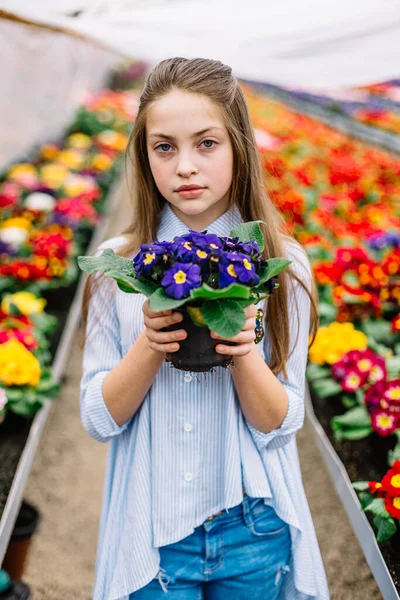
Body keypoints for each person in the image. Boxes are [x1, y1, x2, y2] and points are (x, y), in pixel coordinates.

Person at [80, 57, 330, 600]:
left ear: (239, 145)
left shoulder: (277, 263)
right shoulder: (118, 264)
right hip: (153, 537)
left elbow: (283, 421)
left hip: (254, 530)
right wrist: (151, 341)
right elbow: (99, 419)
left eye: (207, 143)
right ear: (145, 158)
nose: (185, 166)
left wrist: (244, 348)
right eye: (164, 146)